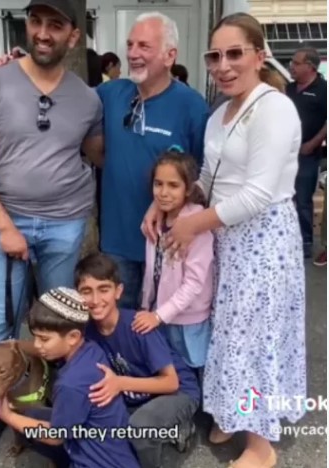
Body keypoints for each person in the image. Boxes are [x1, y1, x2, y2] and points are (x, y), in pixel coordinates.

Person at [144, 13, 306, 467]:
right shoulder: (220, 115)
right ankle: (235, 412)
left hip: (264, 240)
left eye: (235, 53)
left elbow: (256, 193)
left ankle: (260, 445)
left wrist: (192, 225)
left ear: (259, 55)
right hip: (227, 238)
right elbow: (210, 182)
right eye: (215, 56)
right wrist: (165, 204)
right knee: (229, 334)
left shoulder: (274, 108)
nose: (224, 64)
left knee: (255, 338)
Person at [0, 0, 103, 455]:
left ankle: (53, 405)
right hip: (9, 223)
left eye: (54, 25)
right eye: (35, 22)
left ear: (73, 37)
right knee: (2, 325)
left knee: (56, 323)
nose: (42, 32)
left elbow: (94, 153)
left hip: (65, 222)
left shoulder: (88, 97)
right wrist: (4, 226)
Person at [96, 12, 209, 310]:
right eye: (130, 45)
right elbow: (63, 99)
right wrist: (15, 70)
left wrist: (164, 203)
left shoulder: (192, 105)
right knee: (119, 329)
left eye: (144, 46)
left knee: (162, 331)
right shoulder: (110, 93)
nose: (132, 53)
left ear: (170, 55)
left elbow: (202, 175)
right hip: (117, 241)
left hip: (169, 244)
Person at [79, 253, 200, 468]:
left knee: (139, 429)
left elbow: (171, 382)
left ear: (118, 291)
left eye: (103, 289)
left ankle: (179, 425)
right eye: (86, 291)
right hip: (136, 396)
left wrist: (119, 383)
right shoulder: (87, 331)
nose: (95, 300)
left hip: (178, 391)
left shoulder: (138, 326)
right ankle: (164, 430)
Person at [0, 288, 140, 468]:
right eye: (35, 337)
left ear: (73, 337)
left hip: (97, 462)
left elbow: (56, 436)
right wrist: (14, 345)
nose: (37, 345)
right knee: (32, 414)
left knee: (27, 423)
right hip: (117, 448)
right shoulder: (92, 350)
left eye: (44, 339)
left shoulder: (69, 385)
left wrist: (7, 415)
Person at [133, 151, 213, 380]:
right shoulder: (155, 223)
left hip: (188, 318)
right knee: (168, 369)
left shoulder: (197, 228)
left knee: (193, 370)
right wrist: (147, 306)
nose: (164, 192)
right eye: (158, 184)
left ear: (188, 189)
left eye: (173, 185)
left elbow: (194, 283)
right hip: (160, 312)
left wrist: (159, 315)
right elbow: (153, 271)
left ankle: (200, 413)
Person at [286, 47, 327, 259]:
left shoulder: (323, 89)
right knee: (285, 197)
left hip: (307, 154)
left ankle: (305, 242)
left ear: (310, 66)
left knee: (303, 199)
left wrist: (313, 143)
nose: (291, 66)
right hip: (285, 153)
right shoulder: (289, 88)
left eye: (296, 62)